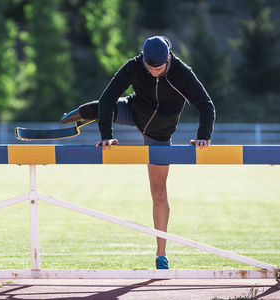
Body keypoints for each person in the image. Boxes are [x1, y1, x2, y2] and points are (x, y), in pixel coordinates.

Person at [60, 36, 215, 269]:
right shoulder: (134, 66)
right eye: (149, 67)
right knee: (100, 105)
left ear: (169, 59)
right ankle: (78, 114)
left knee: (159, 191)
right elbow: (109, 95)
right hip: (133, 111)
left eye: (158, 68)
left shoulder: (183, 73)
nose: (153, 71)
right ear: (143, 58)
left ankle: (161, 255)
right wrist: (106, 135)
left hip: (159, 134)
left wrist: (204, 135)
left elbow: (206, 105)